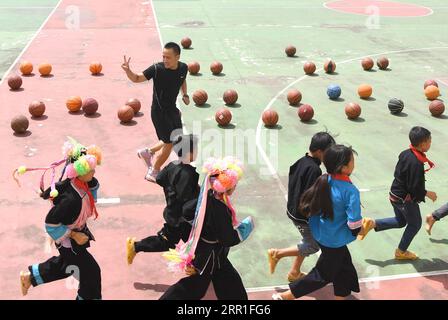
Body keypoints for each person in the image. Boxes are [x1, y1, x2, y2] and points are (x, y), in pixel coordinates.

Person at [16, 138, 103, 300]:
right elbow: (51, 224)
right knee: (91, 274)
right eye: (91, 169)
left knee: (70, 265)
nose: (94, 172)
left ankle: (30, 277)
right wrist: (75, 235)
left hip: (76, 236)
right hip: (69, 241)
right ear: (79, 170)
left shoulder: (82, 184)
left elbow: (94, 188)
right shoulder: (70, 199)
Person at [272, 145, 363, 300]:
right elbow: (354, 222)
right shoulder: (350, 190)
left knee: (344, 267)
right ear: (343, 167)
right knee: (322, 275)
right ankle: (287, 296)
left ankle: (342, 295)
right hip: (334, 240)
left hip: (321, 233)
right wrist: (358, 230)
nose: (354, 163)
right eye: (352, 161)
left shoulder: (323, 179)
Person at [160, 157, 254, 300]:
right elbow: (228, 239)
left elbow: (187, 211)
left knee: (231, 286)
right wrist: (246, 227)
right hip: (210, 257)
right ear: (228, 187)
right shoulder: (219, 208)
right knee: (194, 288)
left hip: (209, 253)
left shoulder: (206, 196)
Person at [358, 126, 437, 260]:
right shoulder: (416, 163)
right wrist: (427, 193)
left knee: (400, 221)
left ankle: (371, 223)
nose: (430, 143)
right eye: (429, 141)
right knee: (415, 224)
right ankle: (401, 252)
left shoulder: (406, 153)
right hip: (405, 201)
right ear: (423, 144)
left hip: (394, 194)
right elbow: (414, 188)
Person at [268, 132, 335, 282]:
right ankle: (277, 254)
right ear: (319, 152)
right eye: (328, 152)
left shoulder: (301, 161)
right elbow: (310, 195)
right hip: (303, 216)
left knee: (306, 240)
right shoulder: (314, 170)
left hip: (293, 208)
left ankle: (294, 273)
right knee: (313, 246)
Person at [121, 42, 190, 182]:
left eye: (168, 57)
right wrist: (128, 70)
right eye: (163, 56)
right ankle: (154, 171)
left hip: (172, 110)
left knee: (176, 138)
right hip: (159, 113)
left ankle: (148, 152)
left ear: (177, 57)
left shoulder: (183, 68)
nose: (165, 60)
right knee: (169, 143)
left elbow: (182, 80)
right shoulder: (157, 69)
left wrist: (185, 94)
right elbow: (136, 78)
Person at [126, 134, 199, 264]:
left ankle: (136, 246)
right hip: (181, 218)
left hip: (172, 212)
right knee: (195, 242)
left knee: (173, 241)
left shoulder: (172, 165)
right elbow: (186, 198)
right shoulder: (189, 174)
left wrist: (171, 189)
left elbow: (160, 178)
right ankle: (135, 246)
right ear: (190, 152)